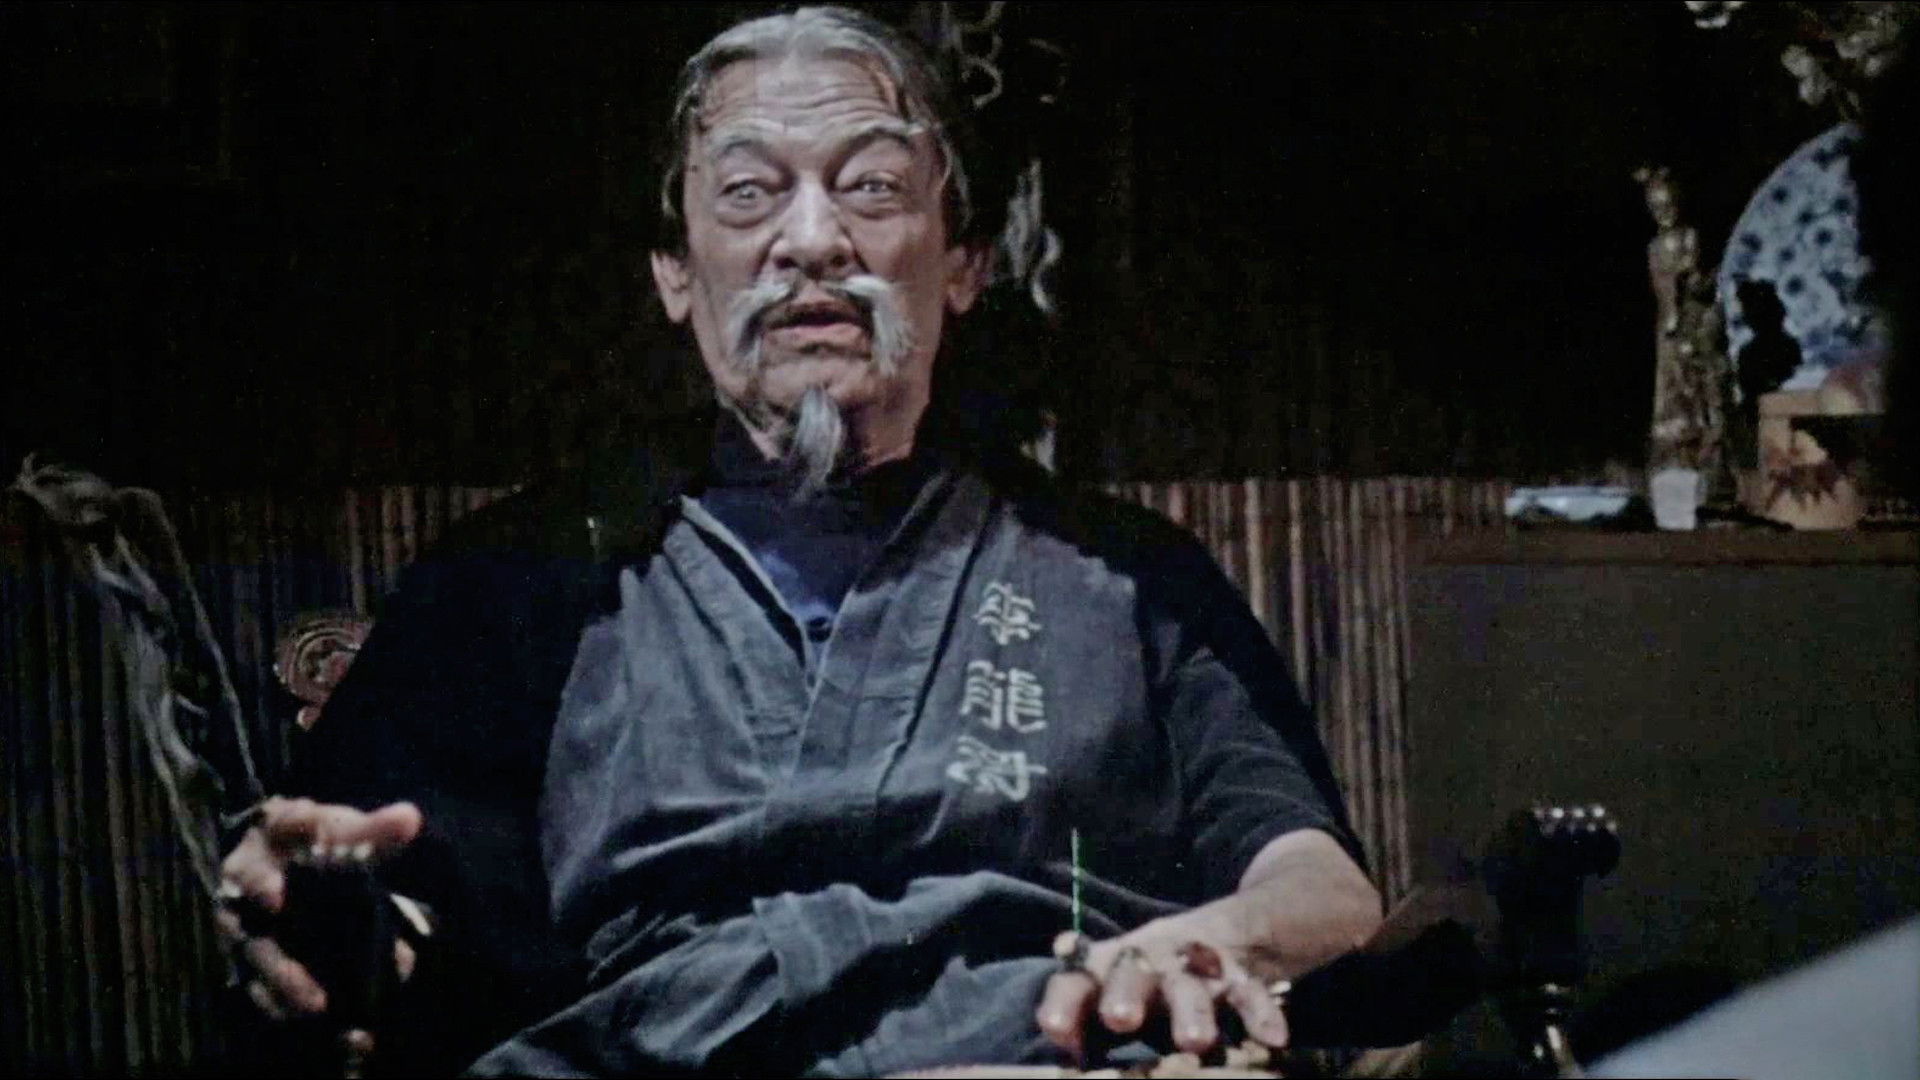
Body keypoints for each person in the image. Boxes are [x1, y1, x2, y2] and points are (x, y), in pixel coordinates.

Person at [217, 7, 1382, 1076]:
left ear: (964, 263)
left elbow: (1320, 884)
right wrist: (321, 924)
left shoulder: (1128, 577)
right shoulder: (517, 582)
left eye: (873, 188)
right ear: (676, 273)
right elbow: (372, 917)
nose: (813, 241)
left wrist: (1214, 941)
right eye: (747, 194)